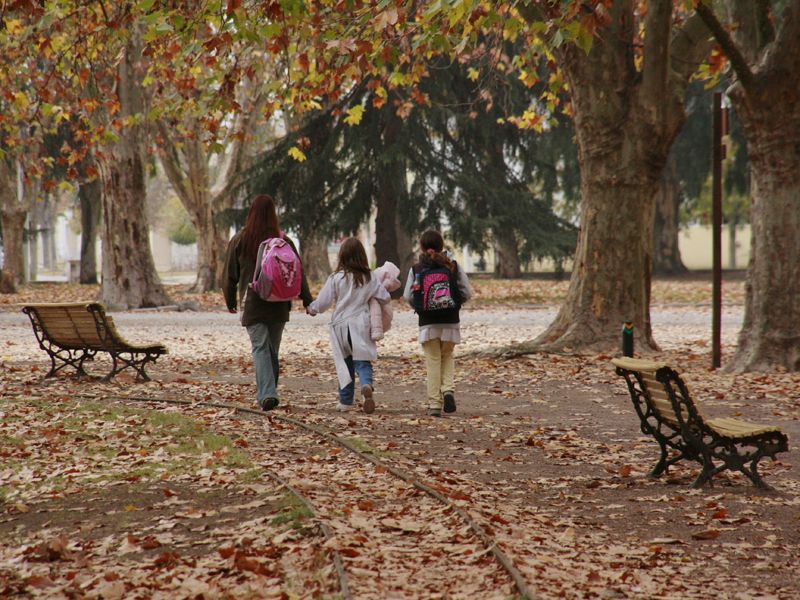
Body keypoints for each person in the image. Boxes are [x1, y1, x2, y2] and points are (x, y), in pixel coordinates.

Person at [222, 194, 313, 411]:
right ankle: (269, 392)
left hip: (253, 304)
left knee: (261, 348)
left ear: (251, 213)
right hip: (279, 304)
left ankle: (267, 394)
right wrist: (307, 300)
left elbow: (229, 275)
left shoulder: (240, 240)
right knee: (271, 350)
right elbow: (299, 273)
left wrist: (230, 299)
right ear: (273, 214)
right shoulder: (284, 241)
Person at [306, 237, 390, 413]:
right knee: (363, 361)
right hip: (361, 325)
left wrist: (312, 308)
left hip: (341, 328)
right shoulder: (370, 277)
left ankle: (345, 402)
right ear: (362, 256)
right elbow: (385, 297)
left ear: (342, 256)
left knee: (345, 365)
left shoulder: (336, 278)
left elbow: (323, 302)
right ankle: (366, 384)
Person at [403, 230, 472, 417]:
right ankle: (448, 390)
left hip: (427, 322)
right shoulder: (452, 266)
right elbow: (466, 291)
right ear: (442, 246)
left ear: (422, 247)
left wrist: (420, 306)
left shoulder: (417, 269)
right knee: (447, 355)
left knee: (433, 360)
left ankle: (434, 405)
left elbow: (407, 296)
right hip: (450, 319)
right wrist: (455, 303)